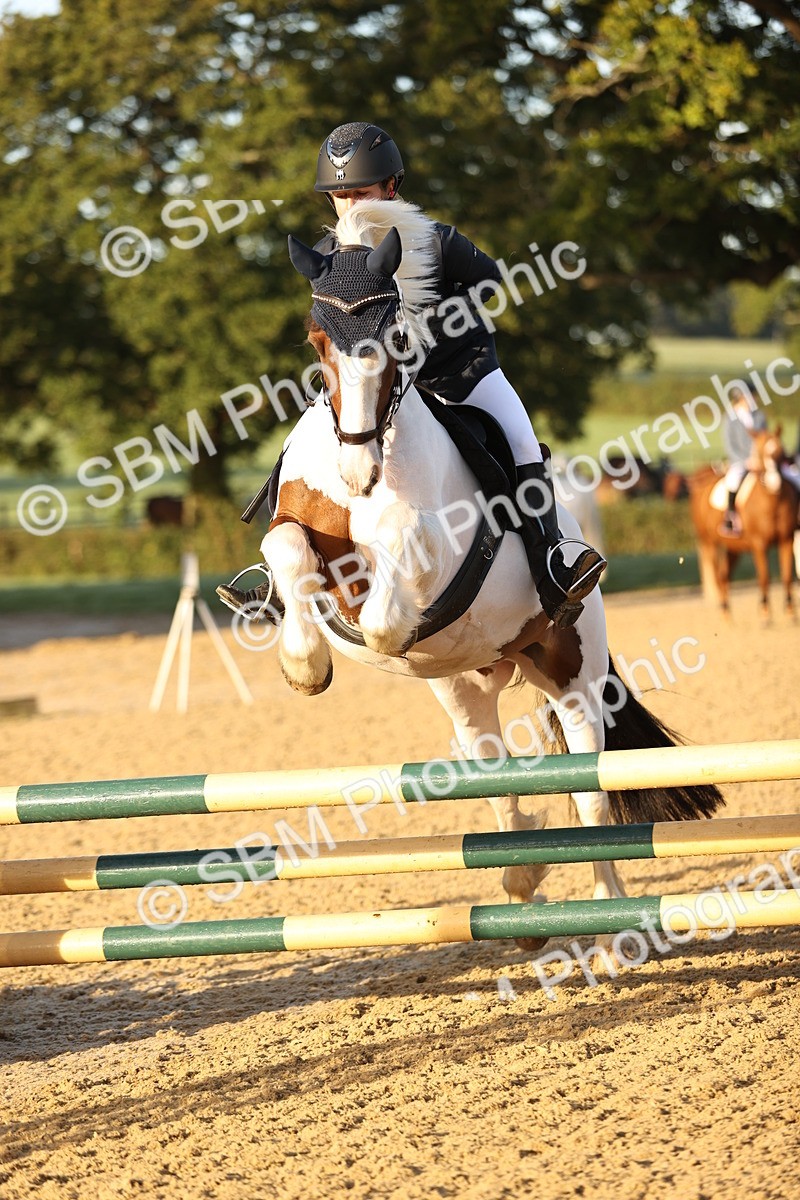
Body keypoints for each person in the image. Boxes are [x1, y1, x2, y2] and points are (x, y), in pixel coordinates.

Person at [218, 121, 606, 628]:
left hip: (461, 374)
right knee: (297, 448)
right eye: (339, 195)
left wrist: (435, 323)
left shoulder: (438, 242)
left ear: (391, 187)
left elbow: (491, 280)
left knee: (521, 442)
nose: (350, 205)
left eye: (361, 191)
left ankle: (552, 565)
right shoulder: (333, 261)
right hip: (377, 388)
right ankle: (279, 579)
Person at [719, 385, 768, 537]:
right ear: (741, 398)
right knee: (733, 480)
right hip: (740, 461)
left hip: (761, 460)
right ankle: (730, 517)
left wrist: (761, 458)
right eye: (751, 396)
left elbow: (765, 438)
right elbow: (730, 445)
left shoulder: (759, 416)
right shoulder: (730, 418)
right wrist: (746, 461)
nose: (754, 399)